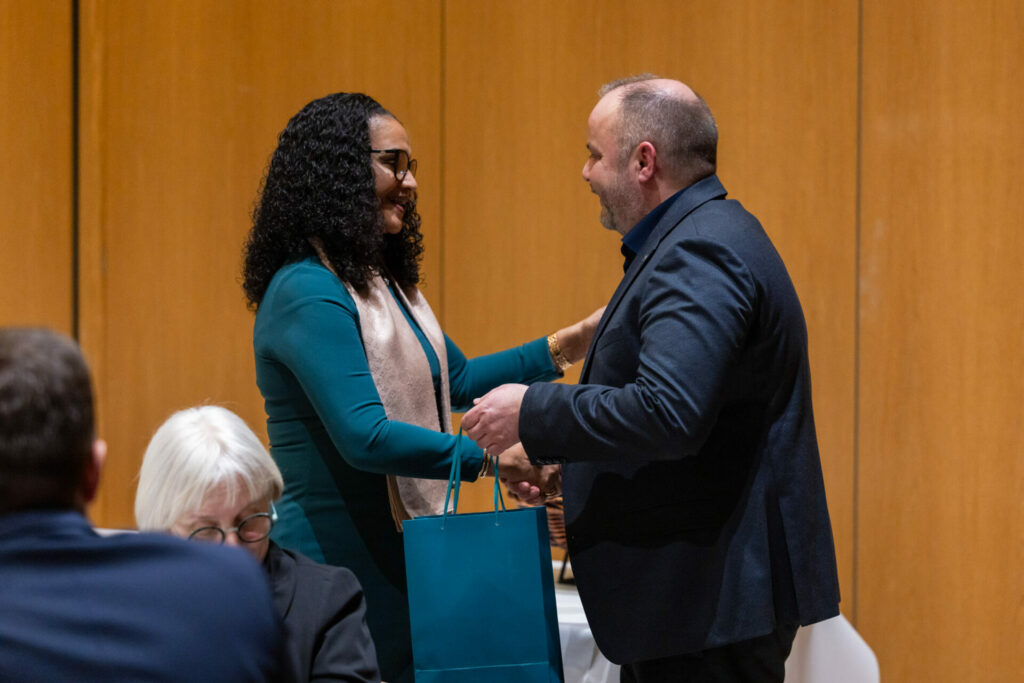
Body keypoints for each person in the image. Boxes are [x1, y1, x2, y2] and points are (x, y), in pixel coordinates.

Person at [463, 76, 841, 682]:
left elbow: (669, 413)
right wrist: (577, 464)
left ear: (644, 161)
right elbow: (700, 421)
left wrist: (532, 411)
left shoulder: (700, 251)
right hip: (702, 602)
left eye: (594, 153)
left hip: (708, 605)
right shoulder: (697, 237)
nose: (585, 172)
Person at [241, 92, 601, 682]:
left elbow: (454, 381)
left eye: (412, 167)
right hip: (337, 563)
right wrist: (487, 459)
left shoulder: (382, 284)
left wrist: (571, 342)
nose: (409, 183)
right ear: (339, 172)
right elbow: (365, 436)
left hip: (402, 550)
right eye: (393, 163)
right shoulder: (305, 289)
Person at [0, 327, 287, 682]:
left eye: (247, 520)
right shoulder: (230, 590)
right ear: (94, 472)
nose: (232, 542)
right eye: (205, 527)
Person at [136, 405, 380, 683]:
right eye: (205, 529)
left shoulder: (327, 601)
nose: (231, 548)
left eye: (249, 520)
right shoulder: (128, 610)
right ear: (163, 529)